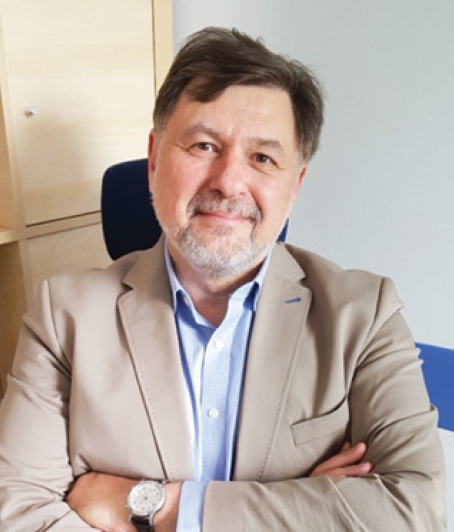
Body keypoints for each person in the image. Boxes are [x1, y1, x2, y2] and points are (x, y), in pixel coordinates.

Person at [0, 27, 445, 532]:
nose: (229, 182)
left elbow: (415, 511)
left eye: (263, 158)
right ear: (154, 160)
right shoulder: (63, 316)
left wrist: (150, 505)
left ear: (294, 185)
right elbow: (17, 511)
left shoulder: (365, 315)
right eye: (204, 145)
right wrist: (302, 503)